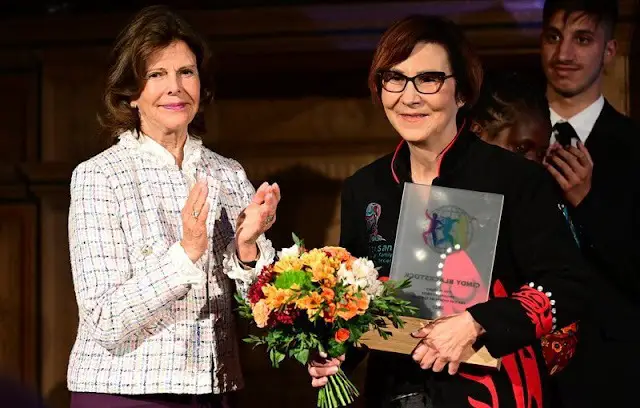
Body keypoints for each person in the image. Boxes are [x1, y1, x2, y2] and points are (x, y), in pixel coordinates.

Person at [308, 15, 590, 408]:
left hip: (494, 391)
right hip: (394, 392)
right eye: (395, 78)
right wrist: (337, 354)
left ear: (462, 91)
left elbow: (568, 285)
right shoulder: (366, 187)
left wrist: (477, 322)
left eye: (428, 79)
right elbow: (360, 304)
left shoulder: (514, 179)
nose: (409, 97)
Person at [66, 6, 279, 408]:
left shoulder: (228, 173)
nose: (175, 88)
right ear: (131, 94)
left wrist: (248, 247)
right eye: (156, 74)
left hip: (213, 390)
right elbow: (106, 320)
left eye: (186, 72)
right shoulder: (100, 177)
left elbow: (262, 312)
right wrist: (186, 254)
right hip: (124, 392)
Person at [539, 1, 640, 406]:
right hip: (516, 363)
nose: (564, 54)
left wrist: (588, 204)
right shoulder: (504, 139)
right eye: (553, 37)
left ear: (609, 51)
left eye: (582, 39)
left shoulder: (634, 147)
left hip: (610, 373)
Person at [470, 71, 580, 376]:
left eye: (540, 153)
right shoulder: (448, 212)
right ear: (477, 134)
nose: (532, 162)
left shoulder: (542, 209)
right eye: (521, 148)